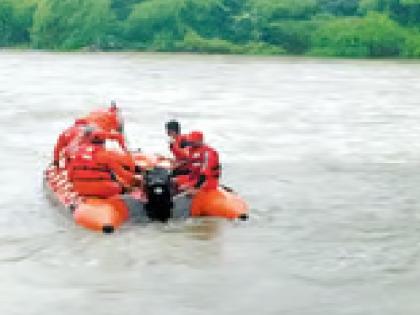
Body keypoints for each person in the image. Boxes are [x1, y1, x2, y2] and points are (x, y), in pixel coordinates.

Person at [67, 128, 139, 197]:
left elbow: (70, 176)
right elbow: (122, 174)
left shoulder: (77, 153)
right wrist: (136, 181)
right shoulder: (105, 154)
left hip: (79, 189)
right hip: (103, 189)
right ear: (103, 142)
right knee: (127, 188)